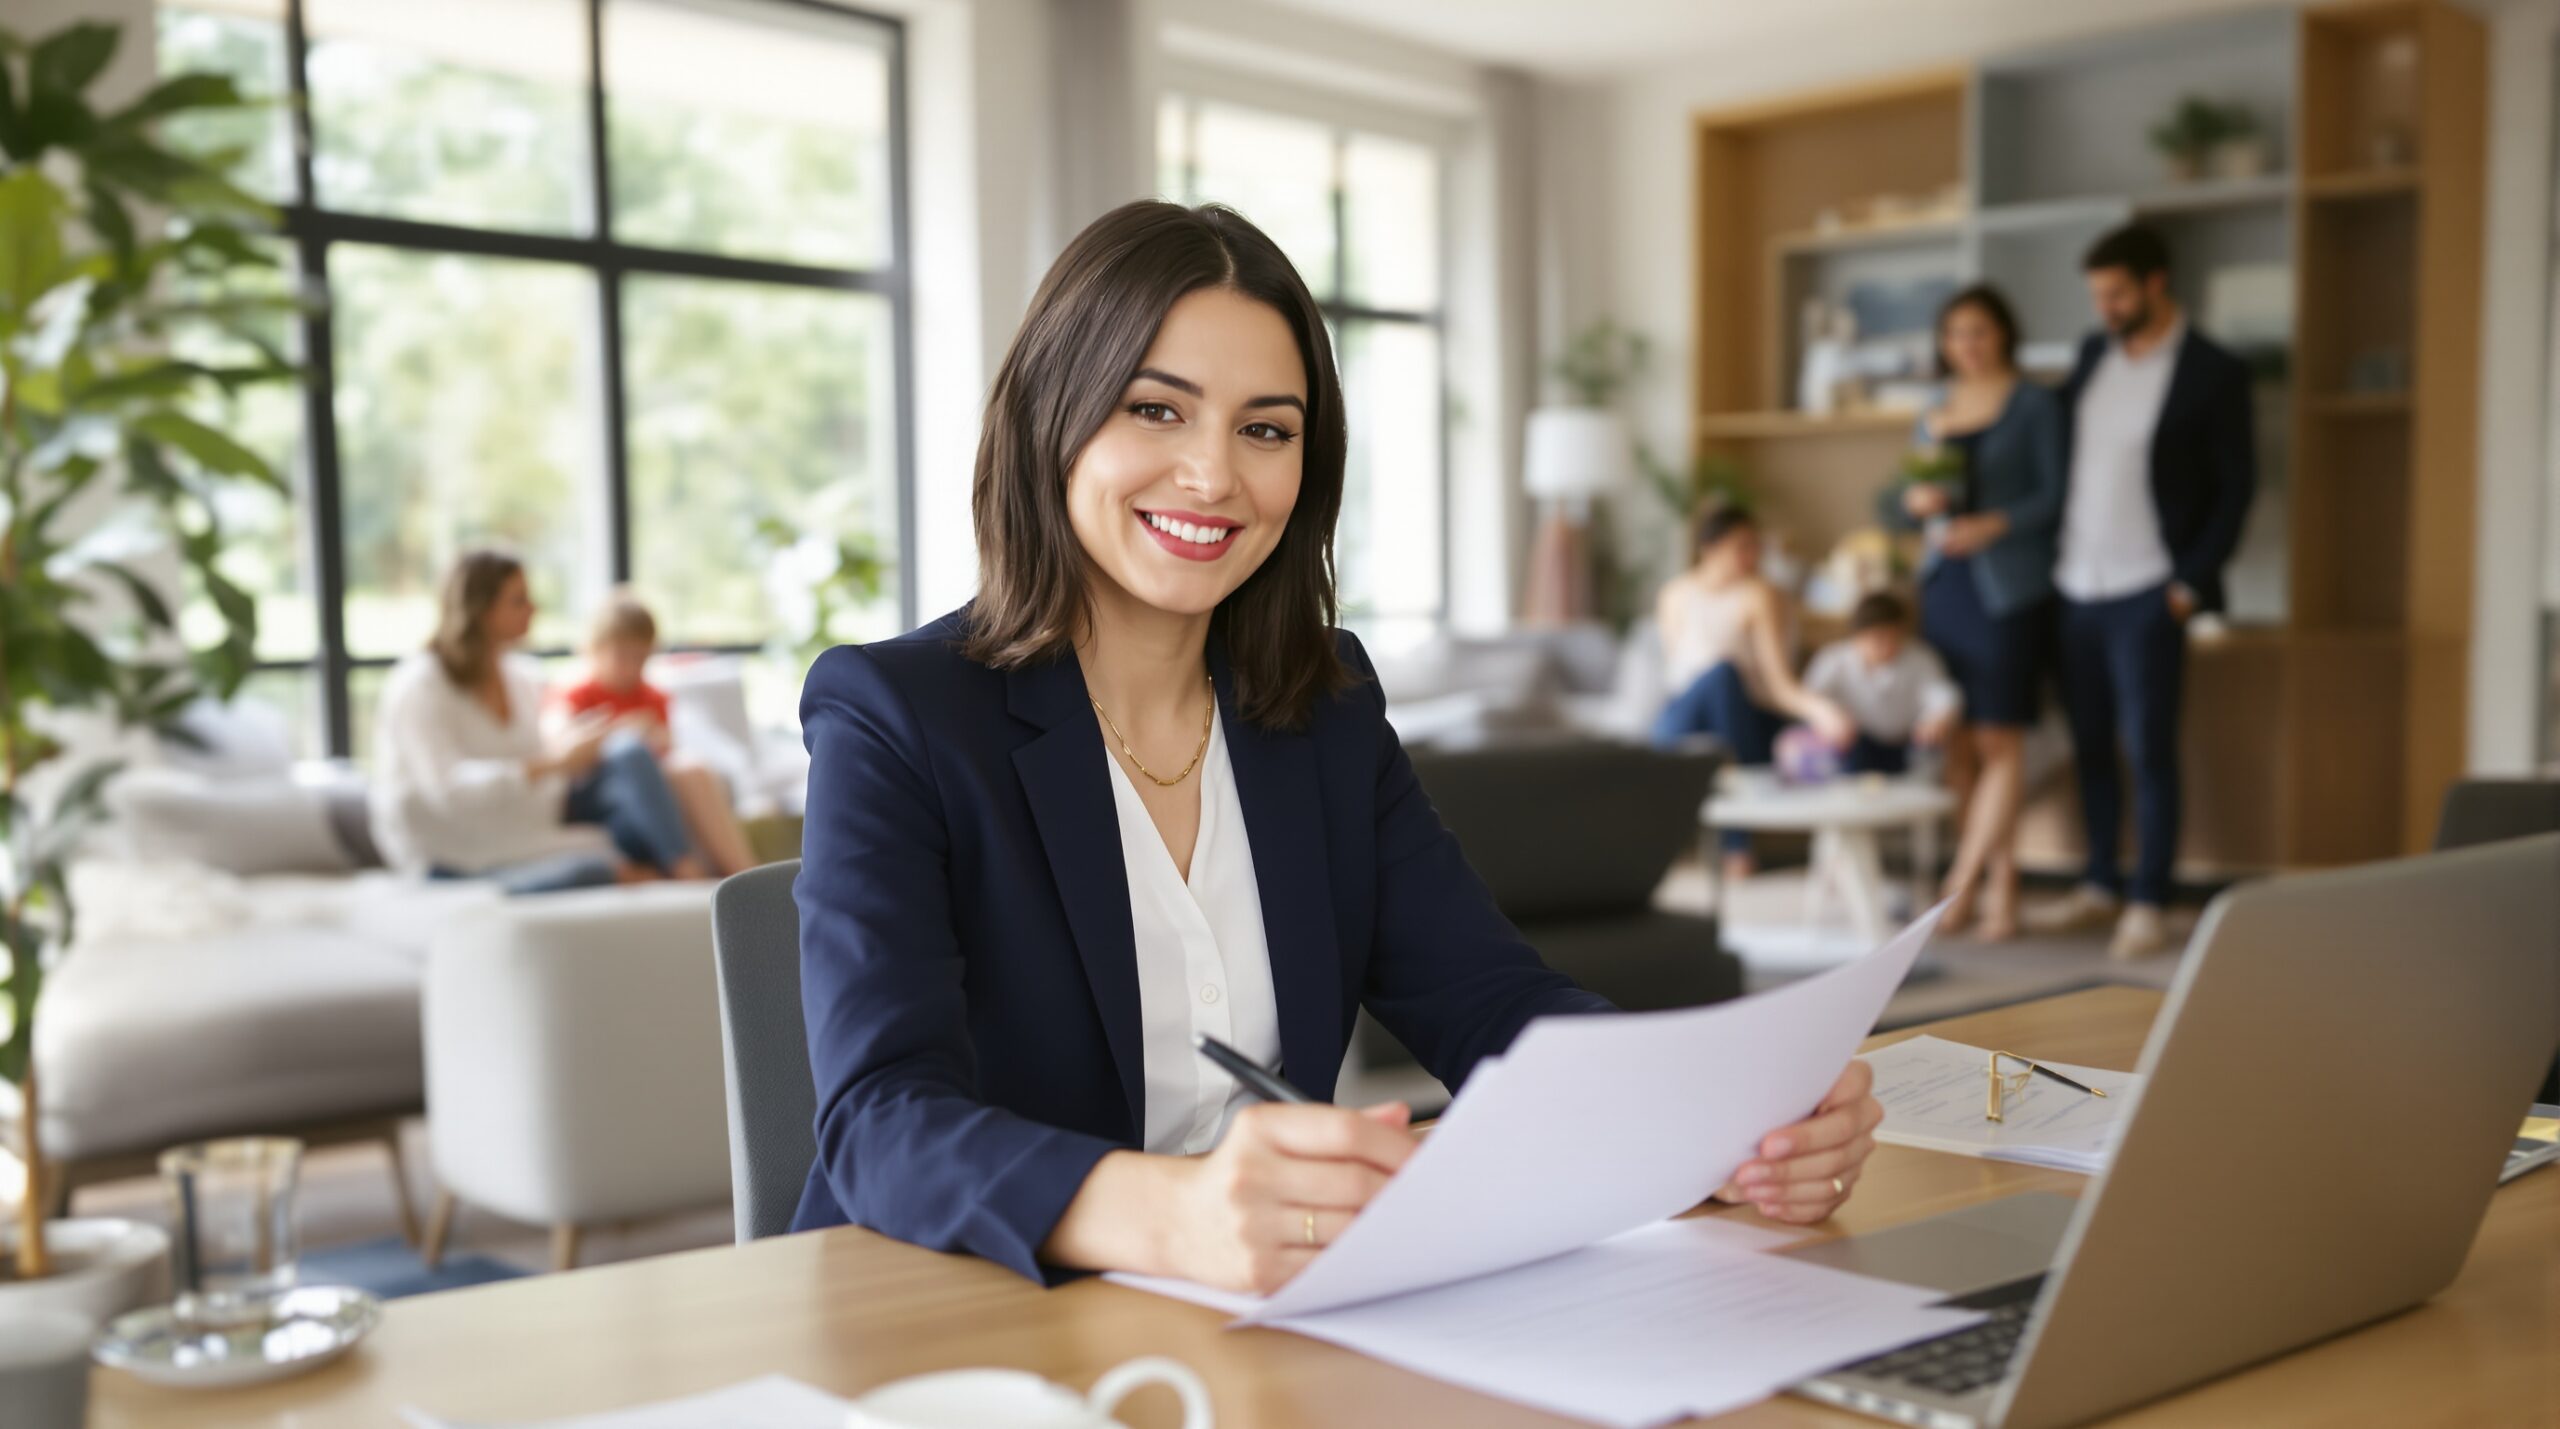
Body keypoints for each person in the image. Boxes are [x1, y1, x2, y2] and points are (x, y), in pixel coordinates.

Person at [790, 200, 1885, 1294]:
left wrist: (1718, 1128)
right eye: (1156, 410)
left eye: (1265, 429)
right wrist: (1170, 1215)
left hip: (1263, 1312)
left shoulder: (1321, 707)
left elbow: (1489, 1002)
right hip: (957, 1316)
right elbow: (881, 1120)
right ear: (1051, 416)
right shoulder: (896, 715)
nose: (1214, 476)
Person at [2034, 225, 2255, 959]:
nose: (2104, 307)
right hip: (2075, 584)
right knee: (2091, 744)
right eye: (2097, 294)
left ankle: (2148, 898)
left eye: (2117, 293)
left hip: (2147, 590)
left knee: (2148, 747)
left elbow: (2236, 488)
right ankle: (2100, 881)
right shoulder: (2093, 355)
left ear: (2157, 283)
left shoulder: (2213, 370)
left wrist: (2189, 583)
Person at [1880, 284, 2066, 941]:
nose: (1968, 344)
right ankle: (2003, 889)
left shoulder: (2035, 403)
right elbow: (1901, 496)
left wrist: (1993, 524)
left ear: (2004, 333)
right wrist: (1917, 504)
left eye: (1979, 331)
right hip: (1946, 582)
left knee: (1999, 736)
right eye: (1955, 333)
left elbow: (2055, 494)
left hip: (2008, 587)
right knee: (1958, 738)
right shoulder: (1934, 408)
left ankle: (1959, 886)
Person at [372, 551, 710, 894]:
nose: (534, 610)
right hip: (451, 853)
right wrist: (556, 762)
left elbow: (554, 756)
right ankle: (672, 876)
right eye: (519, 601)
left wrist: (594, 740)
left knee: (629, 753)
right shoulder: (420, 685)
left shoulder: (522, 677)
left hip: (527, 832)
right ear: (481, 609)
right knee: (589, 871)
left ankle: (690, 871)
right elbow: (448, 790)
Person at [1651, 507, 1858, 878]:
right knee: (1717, 677)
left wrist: (1821, 711)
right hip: (1683, 718)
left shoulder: (1757, 595)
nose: (1752, 557)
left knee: (1726, 679)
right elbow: (1675, 675)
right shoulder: (1675, 594)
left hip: (1740, 716)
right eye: (1742, 547)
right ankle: (1736, 844)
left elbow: (1778, 683)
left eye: (1756, 547)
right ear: (1708, 548)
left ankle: (1738, 843)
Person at [555, 588, 759, 877]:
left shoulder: (653, 698)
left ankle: (745, 875)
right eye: (622, 656)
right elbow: (565, 756)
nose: (631, 668)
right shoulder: (577, 696)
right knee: (629, 748)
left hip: (644, 795)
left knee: (691, 767)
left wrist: (657, 739)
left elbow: (665, 753)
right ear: (595, 648)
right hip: (599, 798)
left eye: (640, 658)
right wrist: (621, 729)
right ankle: (683, 865)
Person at [1802, 592, 1961, 778]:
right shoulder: (1834, 659)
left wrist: (1937, 719)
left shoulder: (1920, 658)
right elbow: (1808, 698)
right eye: (1878, 639)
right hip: (1854, 746)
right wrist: (1827, 716)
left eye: (1894, 638)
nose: (1887, 647)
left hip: (1906, 746)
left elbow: (1942, 695)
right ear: (1857, 636)